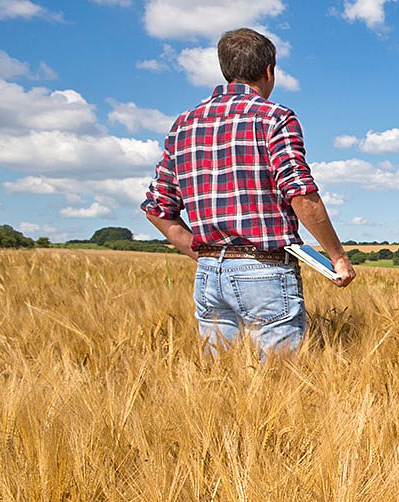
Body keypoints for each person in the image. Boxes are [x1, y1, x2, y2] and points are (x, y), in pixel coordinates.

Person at [141, 27, 355, 355]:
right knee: (279, 385)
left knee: (219, 385)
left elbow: (157, 207)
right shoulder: (274, 117)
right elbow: (299, 192)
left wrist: (203, 253)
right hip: (264, 271)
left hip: (209, 274)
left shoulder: (184, 124)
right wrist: (337, 257)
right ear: (269, 71)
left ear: (226, 70)